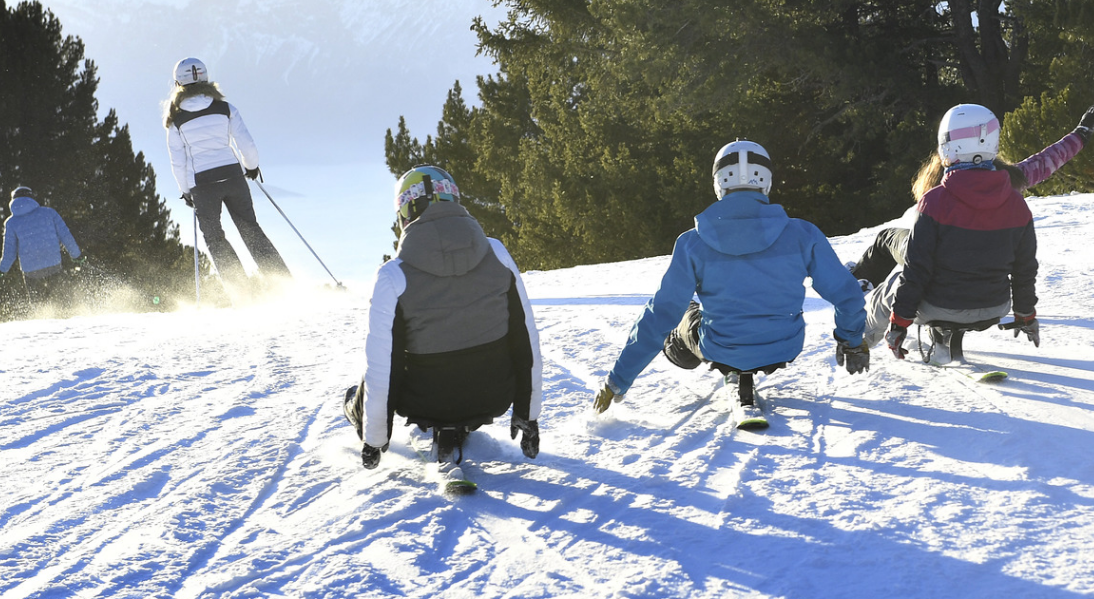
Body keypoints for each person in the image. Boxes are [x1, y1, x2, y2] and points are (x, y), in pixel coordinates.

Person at [591, 140, 870, 424]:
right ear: (767, 181)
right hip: (784, 346)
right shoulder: (803, 234)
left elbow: (660, 314)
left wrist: (618, 380)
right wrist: (851, 342)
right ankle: (741, 369)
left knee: (679, 310)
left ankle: (730, 367)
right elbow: (847, 295)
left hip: (719, 348)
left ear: (718, 183)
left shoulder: (692, 243)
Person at [343, 166, 544, 470]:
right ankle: (462, 417)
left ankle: (358, 411)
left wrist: (375, 439)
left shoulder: (391, 276)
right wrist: (527, 415)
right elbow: (524, 338)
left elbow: (384, 367)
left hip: (424, 400)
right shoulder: (497, 253)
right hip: (491, 395)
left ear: (404, 214)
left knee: (376, 364)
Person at [865, 102, 1091, 366]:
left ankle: (858, 342)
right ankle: (941, 338)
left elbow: (917, 270)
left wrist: (900, 322)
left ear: (945, 145)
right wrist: (1025, 313)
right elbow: (1024, 268)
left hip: (940, 305)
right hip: (994, 308)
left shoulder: (934, 202)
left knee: (894, 285)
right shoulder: (1017, 204)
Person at [846, 100, 1094, 287]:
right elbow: (1044, 161)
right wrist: (1080, 135)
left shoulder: (937, 185)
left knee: (887, 239)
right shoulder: (1005, 180)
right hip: (984, 277)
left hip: (938, 272)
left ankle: (861, 279)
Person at [162, 57, 290, 290]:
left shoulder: (175, 120)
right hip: (233, 177)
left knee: (215, 239)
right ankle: (282, 284)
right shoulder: (225, 109)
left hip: (202, 184)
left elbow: (177, 161)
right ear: (206, 78)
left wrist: (186, 191)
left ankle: (244, 293)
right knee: (251, 230)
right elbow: (247, 145)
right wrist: (251, 167)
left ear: (178, 83)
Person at [0, 186, 85, 311]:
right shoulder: (49, 213)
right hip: (53, 263)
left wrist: (2, 269)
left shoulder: (11, 222)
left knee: (37, 304)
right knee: (61, 299)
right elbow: (66, 236)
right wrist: (76, 255)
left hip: (30, 270)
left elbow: (10, 252)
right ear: (31, 197)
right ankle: (65, 317)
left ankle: (40, 320)